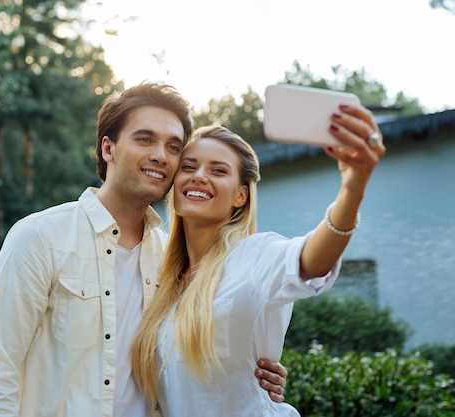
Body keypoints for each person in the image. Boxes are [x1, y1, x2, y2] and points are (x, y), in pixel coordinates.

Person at [0, 82, 286, 417]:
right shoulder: (40, 238)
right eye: (145, 139)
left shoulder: (174, 263)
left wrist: (253, 375)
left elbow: (195, 358)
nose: (160, 155)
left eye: (173, 146)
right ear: (108, 148)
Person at [130, 103, 386, 416]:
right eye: (189, 166)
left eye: (218, 170)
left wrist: (352, 188)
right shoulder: (160, 280)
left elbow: (310, 260)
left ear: (241, 196)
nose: (199, 176)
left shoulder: (255, 256)